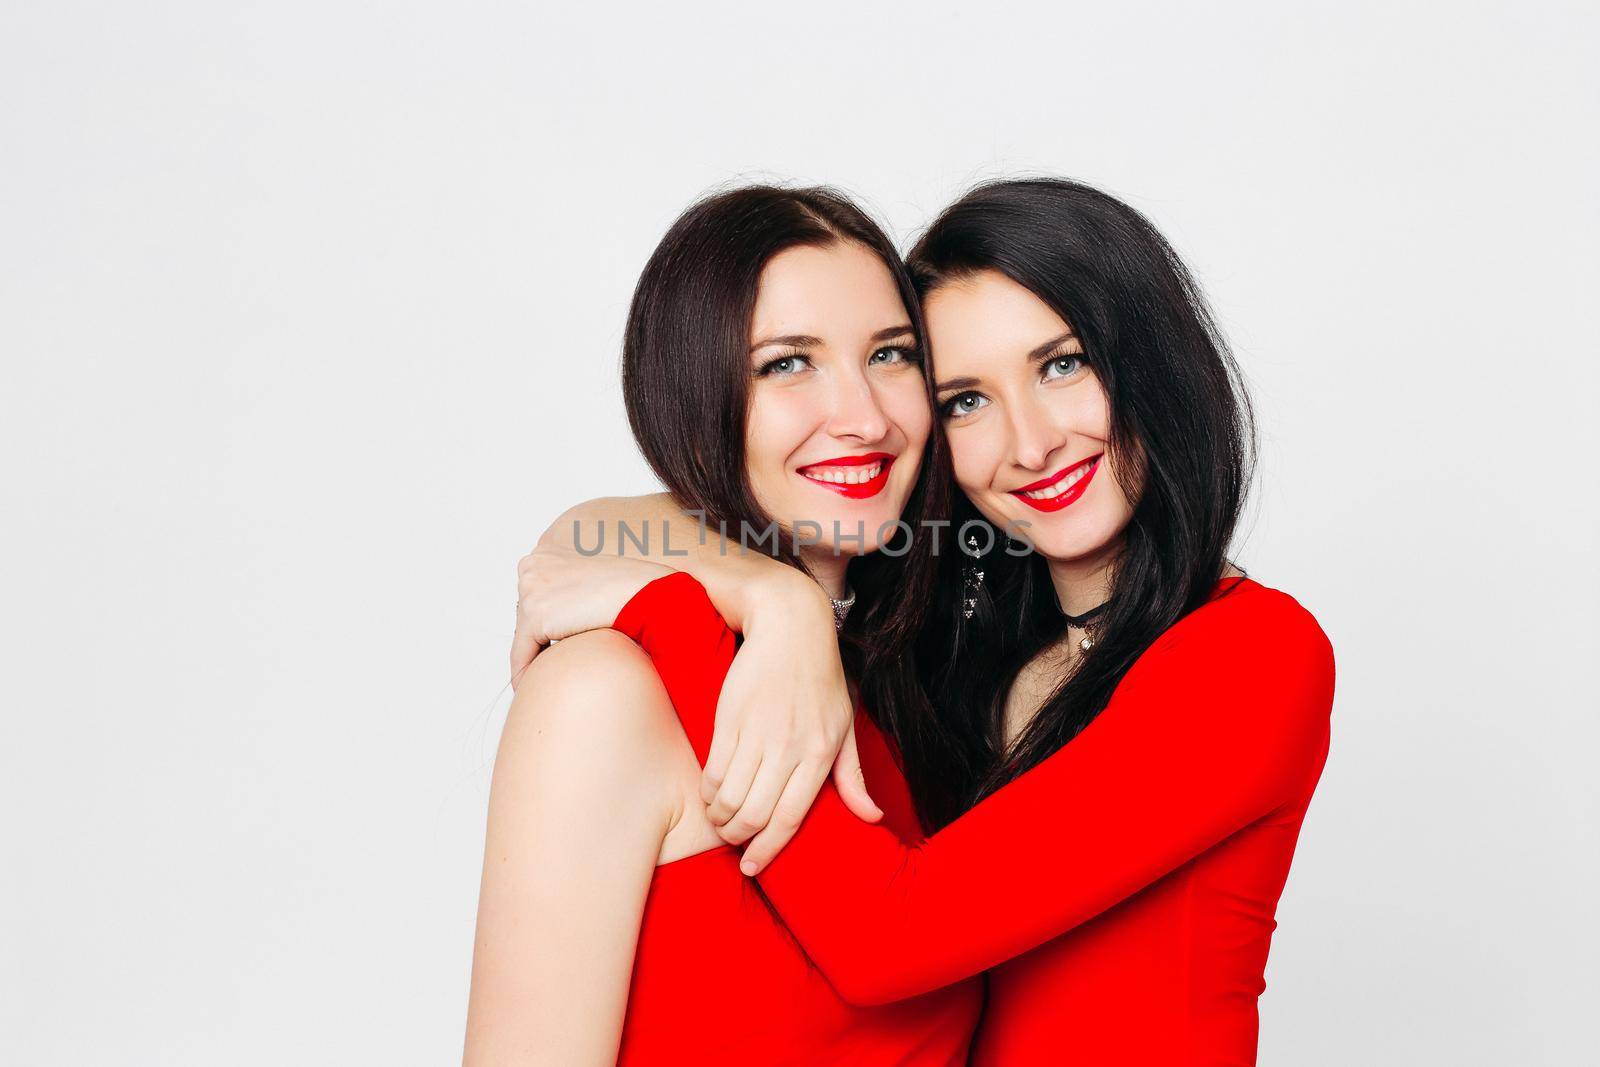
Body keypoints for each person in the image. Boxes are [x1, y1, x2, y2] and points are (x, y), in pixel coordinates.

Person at [513, 178, 1336, 1065]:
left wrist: (676, 612)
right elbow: (588, 539)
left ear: (1150, 362)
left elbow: (888, 939)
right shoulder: (956, 645)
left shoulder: (1254, 652)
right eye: (966, 400)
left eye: (1062, 364)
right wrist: (779, 601)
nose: (1031, 443)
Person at [462, 185, 982, 1066]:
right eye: (786, 363)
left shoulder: (913, 671)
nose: (864, 417)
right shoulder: (604, 696)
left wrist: (785, 606)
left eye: (890, 354)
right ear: (693, 397)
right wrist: (776, 602)